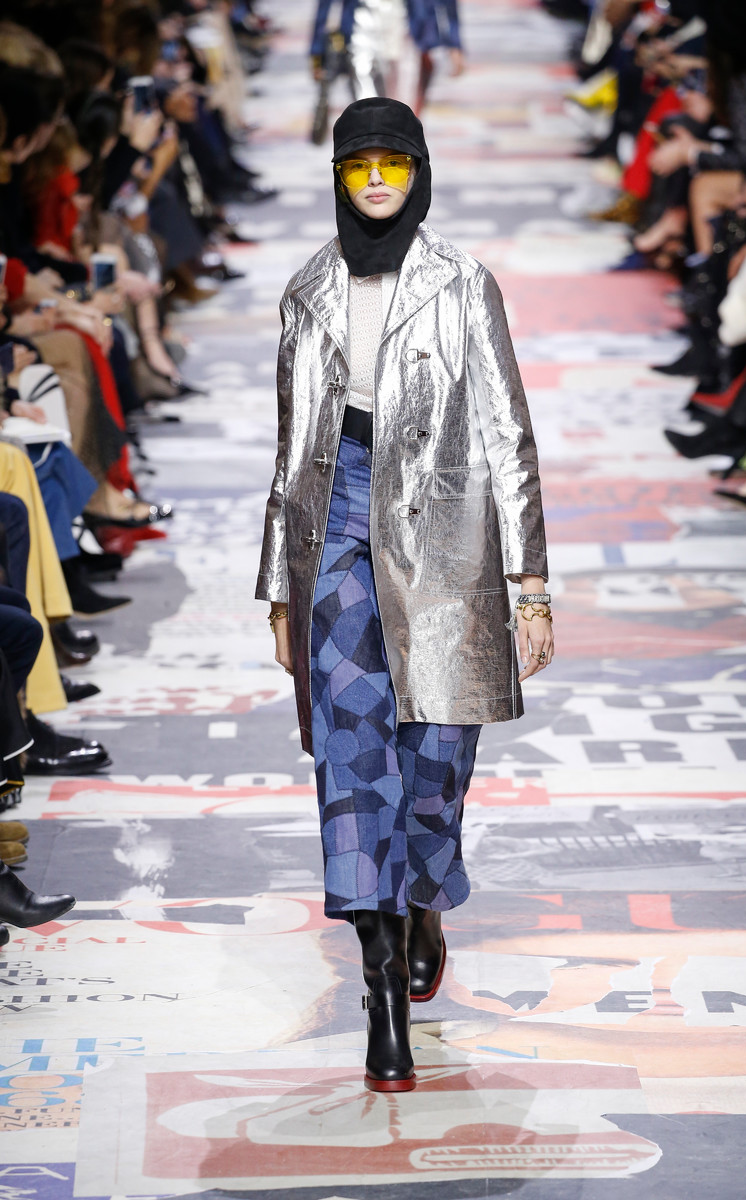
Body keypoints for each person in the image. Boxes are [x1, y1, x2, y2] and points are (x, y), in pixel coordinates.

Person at [256, 98, 552, 1091]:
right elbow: (289, 449)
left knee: (435, 760)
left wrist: (530, 582)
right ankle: (380, 980)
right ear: (338, 176)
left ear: (419, 170)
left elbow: (507, 431)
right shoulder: (308, 290)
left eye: (392, 162)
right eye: (358, 165)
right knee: (352, 760)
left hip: (445, 530)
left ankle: (423, 897)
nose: (376, 179)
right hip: (338, 520)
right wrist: (280, 591)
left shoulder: (463, 282)